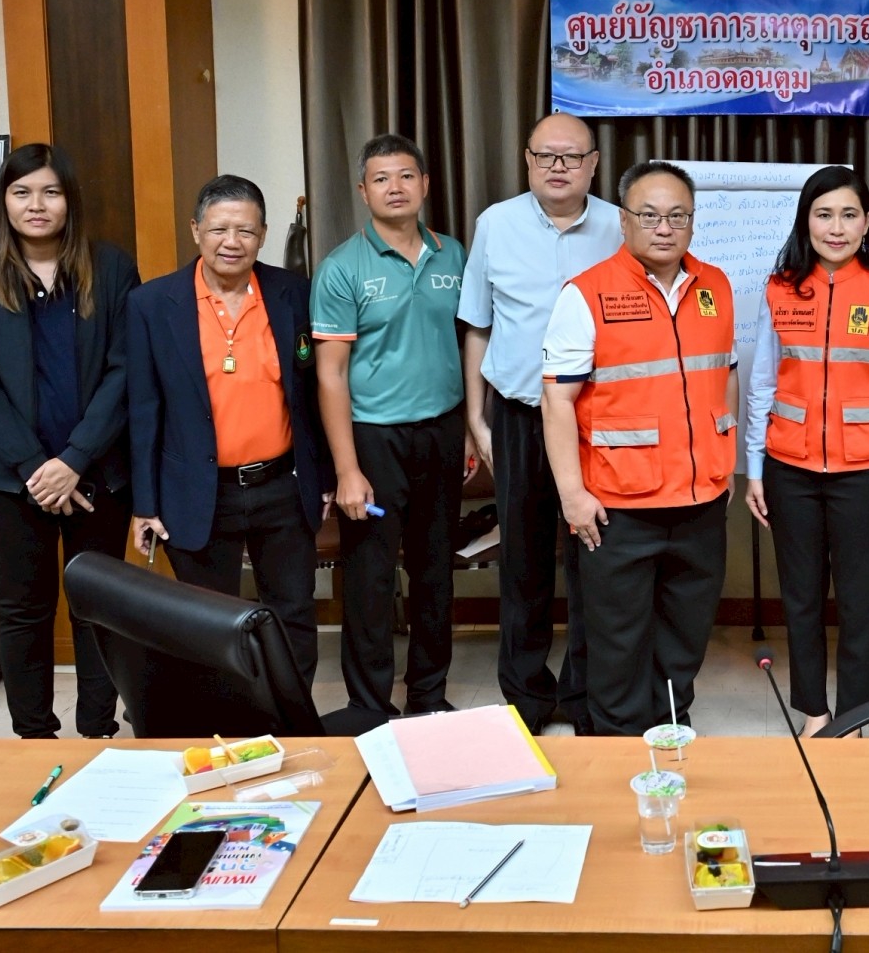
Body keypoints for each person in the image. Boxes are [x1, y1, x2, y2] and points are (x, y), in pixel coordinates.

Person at [0, 145, 138, 739]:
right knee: (23, 609)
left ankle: (98, 731)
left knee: (97, 608)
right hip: (6, 478)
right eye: (22, 192)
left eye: (50, 192)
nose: (37, 204)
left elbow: (126, 370)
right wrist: (36, 466)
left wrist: (74, 460)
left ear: (69, 200)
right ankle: (32, 737)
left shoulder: (111, 267)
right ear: (4, 200)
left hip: (97, 472)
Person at [539, 161, 734, 737]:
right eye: (649, 215)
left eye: (678, 215)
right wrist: (572, 496)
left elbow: (725, 375)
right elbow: (556, 401)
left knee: (684, 638)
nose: (664, 227)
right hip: (618, 507)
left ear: (693, 221)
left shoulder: (716, 286)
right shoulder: (586, 293)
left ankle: (670, 736)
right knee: (617, 645)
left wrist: (724, 463)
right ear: (623, 221)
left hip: (700, 502)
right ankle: (618, 750)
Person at [127, 175, 333, 686]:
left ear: (262, 234)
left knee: (292, 614)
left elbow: (313, 396)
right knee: (207, 622)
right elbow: (144, 409)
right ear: (196, 230)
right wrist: (145, 503)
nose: (231, 242)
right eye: (219, 229)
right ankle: (224, 720)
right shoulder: (152, 304)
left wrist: (325, 477)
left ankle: (290, 716)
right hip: (197, 490)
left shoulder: (293, 293)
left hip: (282, 487)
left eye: (245, 230)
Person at [743, 167, 869, 735]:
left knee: (860, 607)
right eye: (824, 215)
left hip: (865, 475)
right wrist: (754, 470)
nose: (836, 228)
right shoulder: (779, 290)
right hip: (789, 470)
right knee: (799, 600)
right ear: (806, 221)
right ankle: (815, 713)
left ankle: (855, 719)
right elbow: (761, 385)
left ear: (867, 223)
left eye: (848, 215)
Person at [460, 114, 622, 734]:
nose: (558, 167)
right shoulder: (495, 224)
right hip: (518, 415)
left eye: (571, 156)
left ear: (593, 164)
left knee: (594, 562)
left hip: (595, 423)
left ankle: (585, 697)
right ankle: (526, 695)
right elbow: (477, 325)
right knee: (522, 561)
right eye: (545, 155)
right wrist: (476, 419)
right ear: (527, 161)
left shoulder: (620, 225)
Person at [312, 134, 467, 717]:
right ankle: (370, 706)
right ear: (363, 191)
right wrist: (347, 470)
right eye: (381, 178)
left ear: (425, 184)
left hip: (443, 432)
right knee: (371, 578)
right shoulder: (342, 268)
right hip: (374, 438)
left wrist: (469, 431)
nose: (395, 188)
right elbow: (330, 375)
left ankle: (429, 696)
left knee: (435, 571)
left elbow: (467, 344)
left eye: (405, 176)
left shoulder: (453, 255)